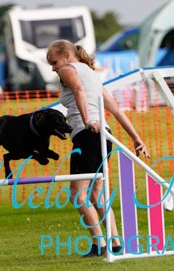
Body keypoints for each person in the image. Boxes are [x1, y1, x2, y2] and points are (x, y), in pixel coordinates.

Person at [46, 39, 149, 257]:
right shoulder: (93, 75)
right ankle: (115, 243)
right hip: (104, 135)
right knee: (97, 192)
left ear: (66, 55)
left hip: (88, 134)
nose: (54, 68)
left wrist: (86, 121)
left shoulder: (68, 69)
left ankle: (99, 244)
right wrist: (136, 138)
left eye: (54, 62)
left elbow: (78, 89)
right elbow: (116, 110)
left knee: (77, 194)